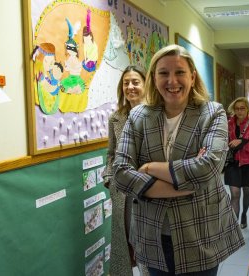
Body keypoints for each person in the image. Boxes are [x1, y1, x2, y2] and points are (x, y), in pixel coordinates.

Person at [112, 44, 244, 276]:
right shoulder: (138, 116)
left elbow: (208, 168)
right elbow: (121, 173)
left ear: (192, 77)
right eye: (163, 73)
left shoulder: (212, 113)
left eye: (180, 72)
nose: (172, 81)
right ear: (154, 78)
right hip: (152, 234)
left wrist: (151, 168)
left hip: (200, 233)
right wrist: (180, 187)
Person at [102, 65, 149, 276]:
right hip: (123, 192)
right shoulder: (116, 118)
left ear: (146, 84)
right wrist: (109, 178)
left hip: (151, 189)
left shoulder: (157, 113)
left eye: (135, 82)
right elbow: (111, 153)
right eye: (126, 83)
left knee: (149, 242)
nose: (130, 87)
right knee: (126, 241)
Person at [224, 97, 249, 229]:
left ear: (247, 109)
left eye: (242, 108)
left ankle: (244, 214)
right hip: (233, 164)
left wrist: (241, 142)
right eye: (237, 108)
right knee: (235, 195)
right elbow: (224, 141)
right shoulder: (228, 124)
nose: (239, 111)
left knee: (247, 193)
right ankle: (233, 227)